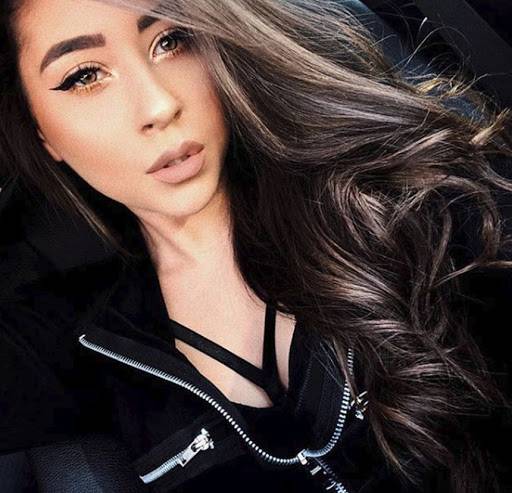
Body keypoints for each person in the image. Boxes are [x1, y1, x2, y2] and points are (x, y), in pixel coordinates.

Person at [0, 0, 511, 491]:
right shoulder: (68, 341)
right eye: (84, 76)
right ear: (41, 132)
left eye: (172, 41)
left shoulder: (400, 200)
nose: (159, 105)